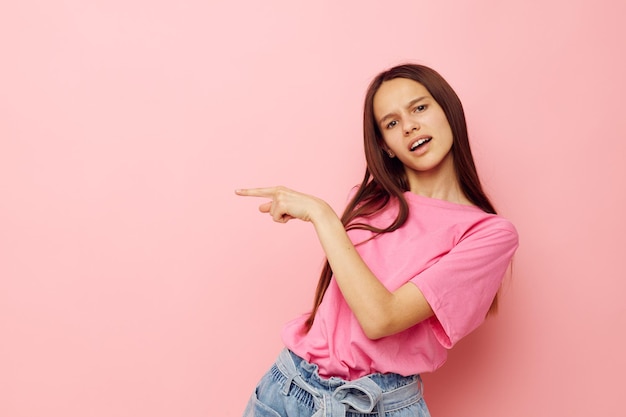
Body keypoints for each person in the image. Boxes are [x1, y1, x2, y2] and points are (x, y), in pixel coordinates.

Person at [235, 63, 519, 417]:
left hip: (377, 405)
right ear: (385, 146)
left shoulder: (488, 235)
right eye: (391, 122)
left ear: (448, 109)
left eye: (419, 108)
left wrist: (321, 216)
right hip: (288, 389)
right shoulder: (368, 202)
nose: (410, 125)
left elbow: (380, 318)